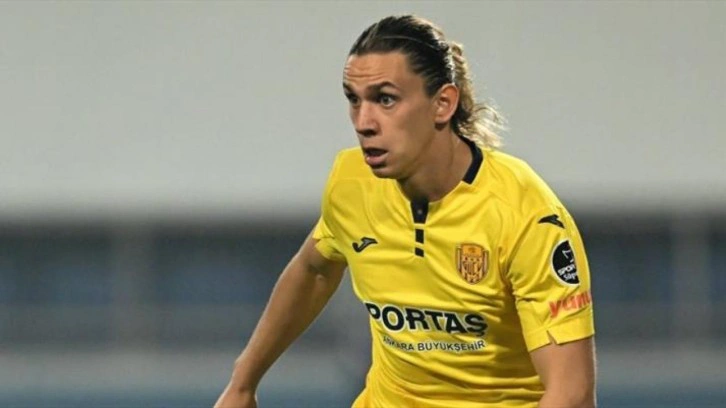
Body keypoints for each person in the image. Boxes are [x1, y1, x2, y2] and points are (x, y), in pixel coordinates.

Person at [215, 14, 596, 408]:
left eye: (385, 99)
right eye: (354, 100)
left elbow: (572, 394)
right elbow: (314, 269)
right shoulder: (352, 183)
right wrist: (242, 383)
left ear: (443, 104)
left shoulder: (526, 215)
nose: (363, 123)